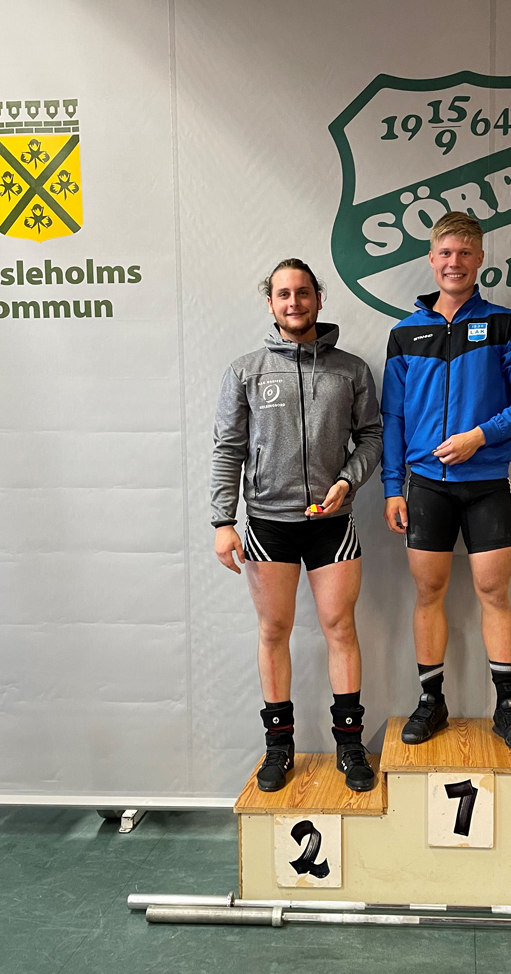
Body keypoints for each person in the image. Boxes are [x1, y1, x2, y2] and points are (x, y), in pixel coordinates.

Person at [211, 259, 382, 792]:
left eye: (302, 292)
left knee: (340, 628)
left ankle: (349, 746)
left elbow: (372, 437)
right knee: (273, 632)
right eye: (283, 294)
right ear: (270, 303)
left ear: (318, 298)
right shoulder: (246, 371)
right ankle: (278, 748)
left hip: (333, 523)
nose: (294, 302)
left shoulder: (350, 370)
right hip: (268, 524)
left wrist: (348, 482)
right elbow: (228, 448)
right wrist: (222, 520)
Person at [381, 212, 511, 751]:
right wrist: (392, 487)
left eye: (465, 253)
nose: (455, 263)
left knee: (494, 593)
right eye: (446, 253)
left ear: (479, 260)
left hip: (486, 484)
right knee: (428, 592)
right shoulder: (405, 333)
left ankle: (508, 710)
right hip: (426, 486)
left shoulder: (505, 324)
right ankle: (431, 701)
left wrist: (479, 436)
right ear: (431, 260)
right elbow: (393, 418)